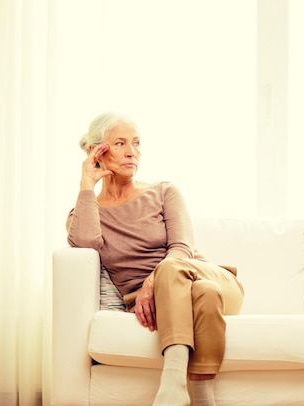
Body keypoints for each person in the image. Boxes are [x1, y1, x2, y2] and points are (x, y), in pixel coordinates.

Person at [66, 112, 244, 406]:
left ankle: (172, 384)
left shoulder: (164, 191)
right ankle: (203, 398)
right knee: (205, 295)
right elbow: (84, 243)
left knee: (188, 275)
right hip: (183, 299)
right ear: (97, 151)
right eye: (120, 143)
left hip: (210, 277)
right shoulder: (84, 214)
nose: (131, 152)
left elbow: (182, 248)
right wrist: (87, 183)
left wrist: (153, 280)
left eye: (136, 143)